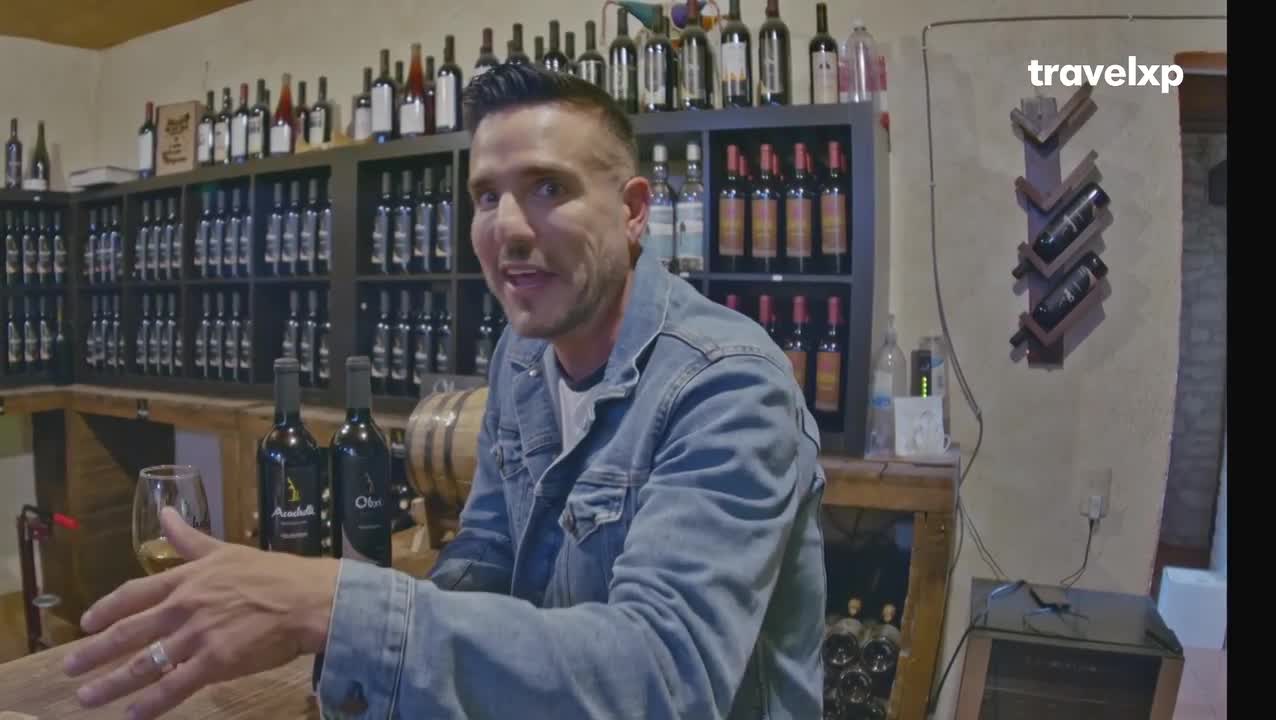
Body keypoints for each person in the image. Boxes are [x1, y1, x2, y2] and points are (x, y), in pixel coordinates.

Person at [63, 63, 828, 719]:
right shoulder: (523, 358)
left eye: (547, 188)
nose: (508, 228)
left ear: (632, 211)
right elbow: (488, 552)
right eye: (486, 195)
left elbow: (663, 681)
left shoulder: (727, 386)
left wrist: (333, 602)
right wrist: (353, 653)